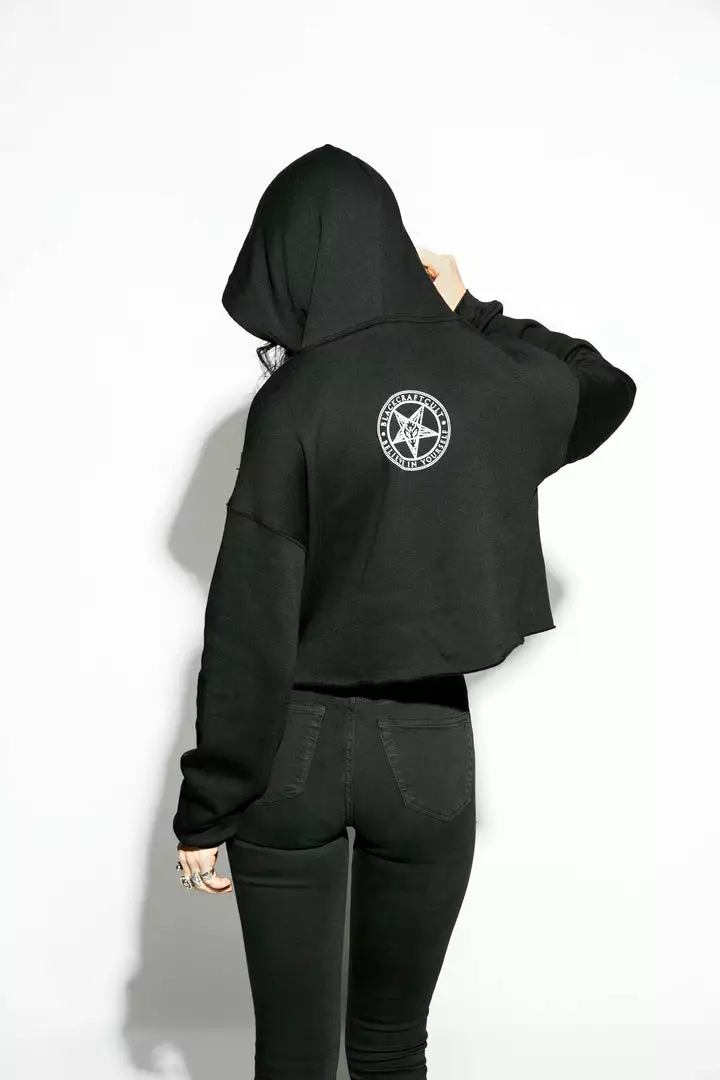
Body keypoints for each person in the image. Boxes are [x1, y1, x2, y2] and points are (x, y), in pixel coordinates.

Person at [173, 144, 636, 1079]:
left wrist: (207, 807)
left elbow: (249, 621)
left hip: (289, 753)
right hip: (428, 751)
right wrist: (471, 312)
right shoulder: (490, 377)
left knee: (294, 1058)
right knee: (392, 1048)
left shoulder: (293, 403)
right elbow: (603, 388)